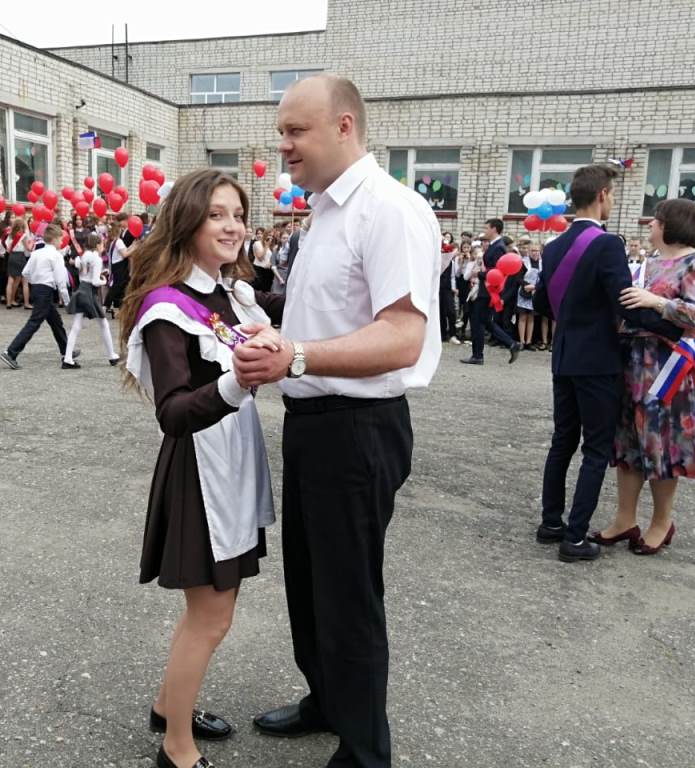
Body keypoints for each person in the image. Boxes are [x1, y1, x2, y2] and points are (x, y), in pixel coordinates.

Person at [233, 73, 441, 768]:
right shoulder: (325, 212)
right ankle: (328, 699)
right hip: (315, 421)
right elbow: (324, 317)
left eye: (296, 130)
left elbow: (402, 336)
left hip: (358, 426)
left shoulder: (388, 209)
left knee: (349, 594)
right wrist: (266, 326)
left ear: (344, 126)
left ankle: (364, 751)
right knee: (311, 582)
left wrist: (296, 356)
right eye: (281, 132)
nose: (283, 145)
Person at [119, 169, 284, 768]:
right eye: (216, 214)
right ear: (188, 221)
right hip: (200, 472)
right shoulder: (167, 307)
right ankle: (176, 748)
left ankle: (170, 707)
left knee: (210, 612)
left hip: (231, 463)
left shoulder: (228, 293)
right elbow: (172, 412)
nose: (232, 226)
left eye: (237, 214)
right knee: (211, 618)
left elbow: (287, 312)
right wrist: (238, 380)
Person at [532, 164, 685, 563]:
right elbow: (626, 304)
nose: (613, 201)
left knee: (562, 441)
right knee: (596, 448)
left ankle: (551, 524)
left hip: (564, 356)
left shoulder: (554, 247)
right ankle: (575, 537)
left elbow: (543, 303)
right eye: (613, 195)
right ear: (602, 195)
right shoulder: (607, 244)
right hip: (598, 359)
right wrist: (672, 328)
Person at [585, 199, 695, 556]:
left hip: (667, 368)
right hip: (633, 363)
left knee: (663, 445)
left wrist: (656, 302)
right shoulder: (650, 262)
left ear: (672, 224)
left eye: (656, 220)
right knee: (628, 442)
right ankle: (624, 519)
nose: (650, 225)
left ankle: (661, 522)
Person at [0, 224, 71, 370]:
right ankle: (11, 352)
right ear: (55, 239)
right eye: (60, 239)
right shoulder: (56, 255)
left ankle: (67, 351)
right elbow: (61, 281)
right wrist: (68, 302)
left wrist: (36, 281)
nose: (61, 242)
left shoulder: (37, 253)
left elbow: (25, 272)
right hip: (46, 290)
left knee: (56, 322)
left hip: (37, 289)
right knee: (34, 323)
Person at [461, 218, 521, 365]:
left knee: (477, 321)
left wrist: (479, 274)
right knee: (485, 321)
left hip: (489, 290)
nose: (485, 230)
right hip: (487, 289)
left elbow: (497, 271)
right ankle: (511, 344)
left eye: (486, 228)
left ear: (494, 229)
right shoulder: (495, 245)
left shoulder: (498, 247)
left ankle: (478, 355)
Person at [62, 233, 120, 368]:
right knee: (103, 324)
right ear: (97, 244)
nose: (103, 246)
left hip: (82, 289)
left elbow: (81, 268)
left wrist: (99, 275)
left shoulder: (84, 255)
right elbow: (94, 281)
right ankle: (111, 355)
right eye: (102, 243)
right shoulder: (97, 259)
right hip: (89, 292)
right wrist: (104, 281)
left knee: (76, 326)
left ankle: (68, 358)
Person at [517, 242, 541, 347]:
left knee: (531, 317)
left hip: (536, 291)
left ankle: (529, 341)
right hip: (524, 291)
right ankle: (522, 341)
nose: (535, 253)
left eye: (537, 250)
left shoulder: (542, 263)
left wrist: (535, 286)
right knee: (523, 317)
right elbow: (518, 278)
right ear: (529, 251)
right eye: (533, 250)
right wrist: (527, 285)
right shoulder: (524, 262)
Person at [5, 218, 33, 310]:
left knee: (10, 280)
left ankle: (9, 302)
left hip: (11, 257)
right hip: (20, 257)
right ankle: (26, 303)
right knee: (25, 281)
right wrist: (32, 243)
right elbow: (28, 248)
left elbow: (8, 249)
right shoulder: (23, 236)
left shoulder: (10, 235)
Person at [107, 213, 130, 312]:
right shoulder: (119, 241)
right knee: (116, 287)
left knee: (118, 288)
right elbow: (125, 254)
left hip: (115, 266)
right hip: (119, 266)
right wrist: (135, 247)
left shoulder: (113, 241)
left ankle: (115, 307)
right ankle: (106, 305)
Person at [251, 227, 274, 291]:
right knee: (258, 289)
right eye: (269, 235)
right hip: (259, 269)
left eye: (272, 236)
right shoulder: (257, 243)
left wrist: (270, 263)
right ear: (265, 234)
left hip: (268, 270)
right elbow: (260, 257)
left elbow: (271, 257)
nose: (270, 237)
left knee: (267, 289)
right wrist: (266, 246)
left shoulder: (271, 245)